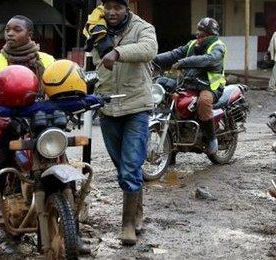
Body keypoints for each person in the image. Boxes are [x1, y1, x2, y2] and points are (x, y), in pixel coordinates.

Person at [0, 15, 55, 259]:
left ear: (30, 35)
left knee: (62, 175)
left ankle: (74, 234)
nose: (9, 33)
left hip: (42, 130)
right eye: (7, 29)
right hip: (4, 131)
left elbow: (60, 91)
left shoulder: (48, 61)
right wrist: (8, 122)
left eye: (16, 29)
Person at [90, 0, 157, 246]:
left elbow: (149, 50)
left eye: (118, 7)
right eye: (108, 6)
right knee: (123, 169)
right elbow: (93, 64)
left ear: (127, 9)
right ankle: (137, 210)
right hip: (108, 108)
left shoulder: (143, 27)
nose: (112, 12)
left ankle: (127, 224)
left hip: (136, 106)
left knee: (130, 166)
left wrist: (117, 52)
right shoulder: (96, 29)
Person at [152, 17, 225, 156]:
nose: (199, 35)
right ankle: (172, 148)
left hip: (210, 86)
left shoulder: (218, 46)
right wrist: (152, 58)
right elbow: (174, 54)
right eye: (198, 31)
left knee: (204, 102)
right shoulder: (192, 44)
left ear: (212, 35)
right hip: (190, 84)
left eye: (204, 33)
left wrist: (184, 62)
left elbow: (208, 59)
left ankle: (211, 138)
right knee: (169, 98)